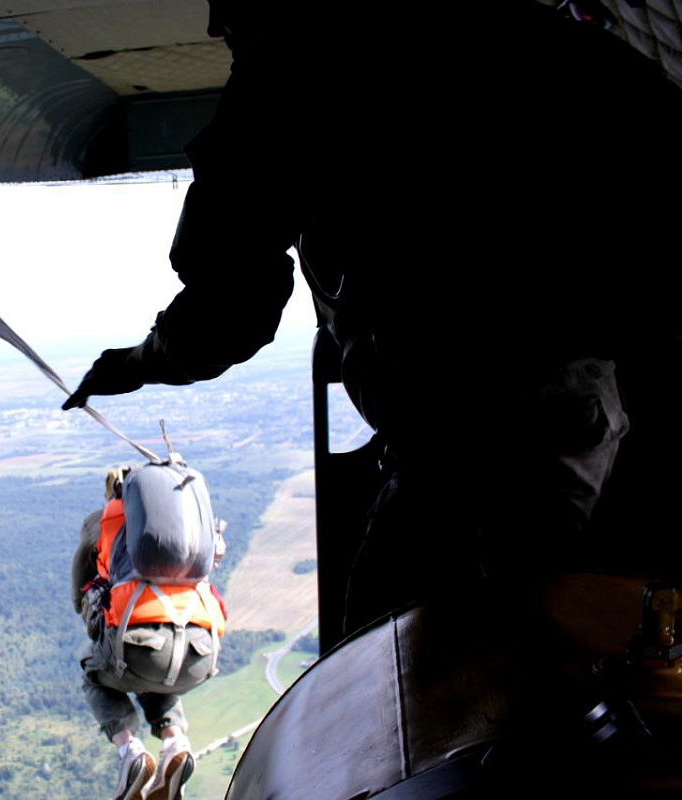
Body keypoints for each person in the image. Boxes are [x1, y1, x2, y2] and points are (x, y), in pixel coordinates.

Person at [63, 1, 682, 630]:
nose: (214, 25)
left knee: (395, 655)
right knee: (545, 636)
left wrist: (136, 363)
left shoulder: (288, 79)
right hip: (568, 424)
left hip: (466, 441)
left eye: (229, 1)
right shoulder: (528, 35)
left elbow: (229, 309)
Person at [74, 468, 227, 800]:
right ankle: (175, 743)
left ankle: (130, 751)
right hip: (201, 654)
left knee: (93, 668)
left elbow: (79, 595)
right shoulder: (185, 518)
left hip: (141, 650)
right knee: (153, 661)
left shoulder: (102, 521)